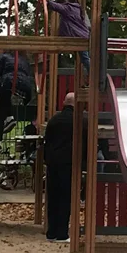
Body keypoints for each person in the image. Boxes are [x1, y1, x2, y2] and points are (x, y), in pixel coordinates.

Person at [0, 52, 37, 145]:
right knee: (5, 97)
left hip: (9, 81)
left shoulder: (3, 57)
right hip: (25, 85)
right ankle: (9, 118)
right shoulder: (24, 60)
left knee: (0, 109)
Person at [42, 93, 76, 242]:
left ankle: (51, 232)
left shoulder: (54, 120)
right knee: (65, 197)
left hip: (53, 162)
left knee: (53, 197)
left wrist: (47, 159)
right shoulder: (78, 120)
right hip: (68, 162)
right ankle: (62, 233)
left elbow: (47, 141)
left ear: (63, 102)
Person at [48, 0, 91, 71]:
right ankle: (93, 72)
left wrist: (46, 1)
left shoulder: (68, 8)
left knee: (85, 58)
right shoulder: (77, 8)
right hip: (82, 35)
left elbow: (56, 6)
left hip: (77, 36)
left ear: (65, 0)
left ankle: (94, 72)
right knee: (84, 57)